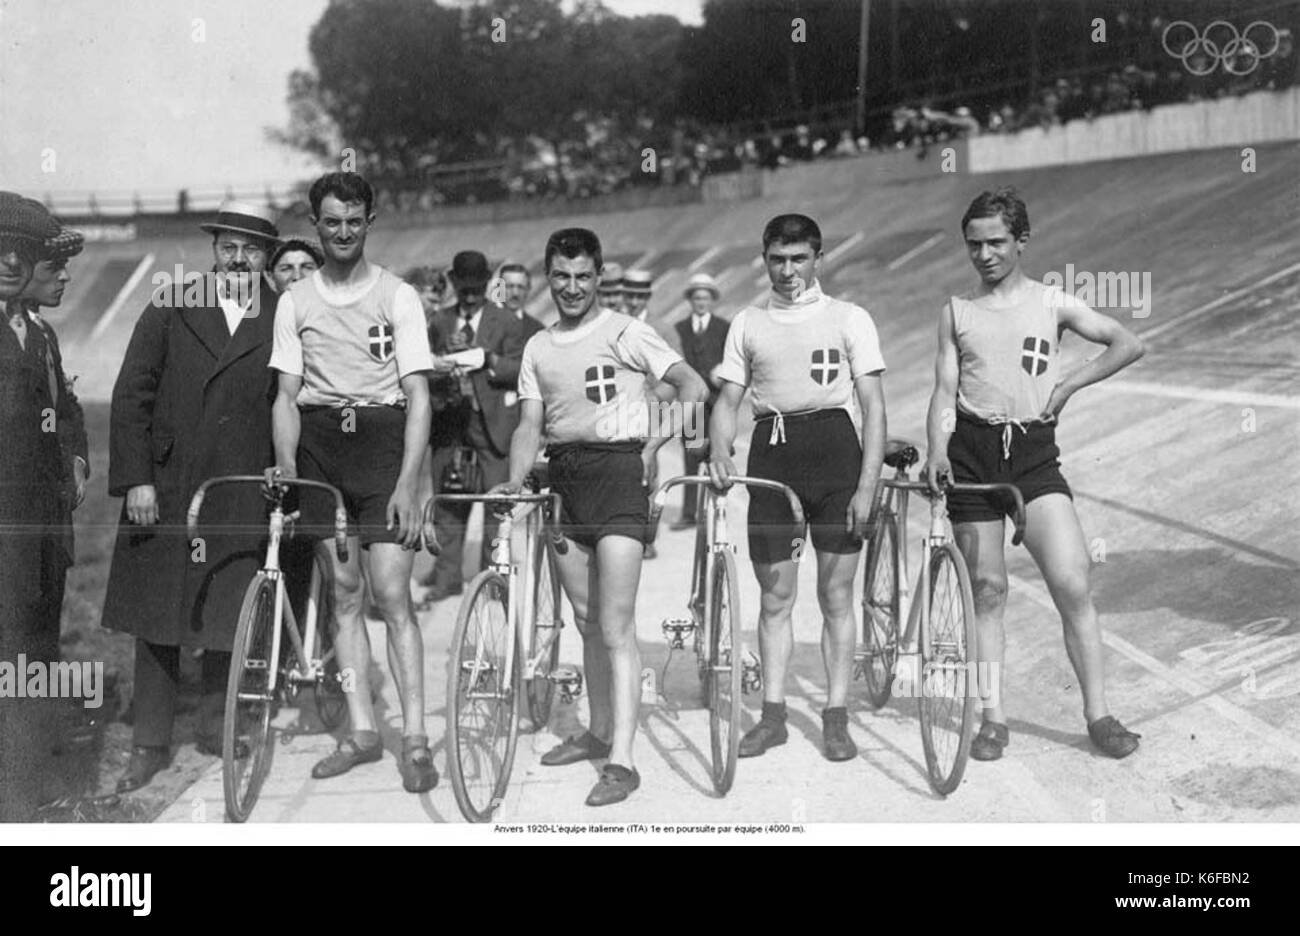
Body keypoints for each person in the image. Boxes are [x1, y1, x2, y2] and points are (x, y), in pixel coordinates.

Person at [926, 187, 1144, 761]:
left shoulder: (1054, 303)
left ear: (1021, 241)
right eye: (974, 245)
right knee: (988, 591)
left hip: (1033, 456)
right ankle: (992, 719)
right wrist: (936, 448)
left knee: (1073, 582)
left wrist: (1069, 384)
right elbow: (945, 392)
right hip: (971, 454)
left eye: (996, 242)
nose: (985, 255)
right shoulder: (956, 312)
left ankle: (1098, 715)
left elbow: (1127, 343)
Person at [494, 228, 706, 806]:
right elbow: (530, 425)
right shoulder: (538, 347)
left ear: (598, 276)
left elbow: (692, 384)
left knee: (615, 625)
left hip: (619, 479)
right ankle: (597, 730)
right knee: (586, 621)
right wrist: (515, 480)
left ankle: (623, 760)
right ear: (548, 277)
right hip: (564, 480)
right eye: (560, 277)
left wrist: (651, 446)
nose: (571, 287)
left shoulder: (626, 331)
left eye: (582, 276)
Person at [103, 200, 284, 792]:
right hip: (170, 482)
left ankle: (215, 725)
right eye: (228, 246)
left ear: (267, 258)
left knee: (225, 608)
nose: (237, 258)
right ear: (214, 251)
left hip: (239, 486)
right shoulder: (173, 302)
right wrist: (136, 479)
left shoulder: (283, 314)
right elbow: (133, 392)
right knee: (158, 612)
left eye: (251, 249)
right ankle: (150, 742)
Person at [269, 171, 438, 792]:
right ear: (317, 224)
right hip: (321, 452)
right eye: (331, 222)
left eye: (354, 220)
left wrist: (408, 483)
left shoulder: (398, 296)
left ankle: (415, 737)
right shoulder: (296, 300)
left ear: (370, 221)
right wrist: (289, 470)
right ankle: (364, 730)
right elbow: (286, 397)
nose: (343, 231)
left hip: (380, 448)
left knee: (391, 594)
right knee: (340, 594)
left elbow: (418, 397)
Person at [709, 214, 886, 762]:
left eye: (799, 259)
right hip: (772, 459)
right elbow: (728, 402)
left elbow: (875, 407)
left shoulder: (849, 318)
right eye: (777, 260)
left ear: (817, 258)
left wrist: (866, 486)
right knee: (775, 596)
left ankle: (836, 715)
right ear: (764, 259)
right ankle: (775, 715)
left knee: (836, 594)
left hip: (836, 456)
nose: (787, 271)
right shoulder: (747, 322)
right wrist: (719, 449)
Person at [0, 193, 66, 819]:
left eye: (21, 252)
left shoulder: (38, 332)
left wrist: (73, 457)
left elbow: (62, 412)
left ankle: (33, 776)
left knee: (36, 648)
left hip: (43, 528)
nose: (9, 263)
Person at [421, 250, 526, 603]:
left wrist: (486, 358)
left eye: (476, 288)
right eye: (463, 288)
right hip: (450, 426)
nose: (469, 294)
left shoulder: (507, 322)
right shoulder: (438, 321)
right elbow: (422, 370)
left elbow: (520, 370)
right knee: (448, 504)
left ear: (487, 284)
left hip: (492, 427)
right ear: (453, 283)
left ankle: (492, 578)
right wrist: (443, 367)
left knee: (496, 507)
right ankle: (447, 577)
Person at [670, 273, 728, 530]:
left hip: (716, 402)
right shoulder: (679, 329)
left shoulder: (724, 327)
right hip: (691, 404)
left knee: (718, 452)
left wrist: (721, 372)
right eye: (697, 297)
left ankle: (717, 510)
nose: (701, 302)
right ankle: (689, 513)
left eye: (706, 297)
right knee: (692, 454)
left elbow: (733, 362)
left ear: (712, 300)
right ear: (690, 300)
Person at [496, 261, 545, 340]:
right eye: (509, 286)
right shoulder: (481, 322)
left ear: (528, 289)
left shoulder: (537, 330)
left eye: (520, 287)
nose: (515, 293)